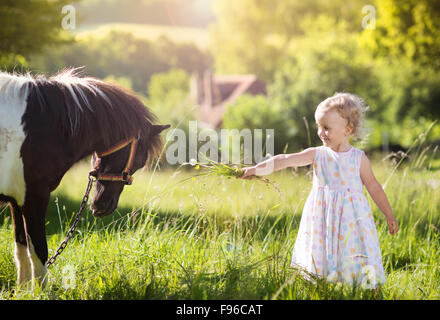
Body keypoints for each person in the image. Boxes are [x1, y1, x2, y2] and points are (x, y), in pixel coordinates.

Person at [241, 92, 399, 288]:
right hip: (322, 218)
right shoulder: (318, 155)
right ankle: (320, 286)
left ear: (347, 129)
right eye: (318, 126)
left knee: (355, 250)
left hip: (352, 219)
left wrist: (389, 214)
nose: (320, 132)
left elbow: (374, 187)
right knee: (320, 253)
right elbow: (284, 160)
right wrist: (256, 169)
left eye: (326, 128)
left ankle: (363, 287)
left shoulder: (358, 159)